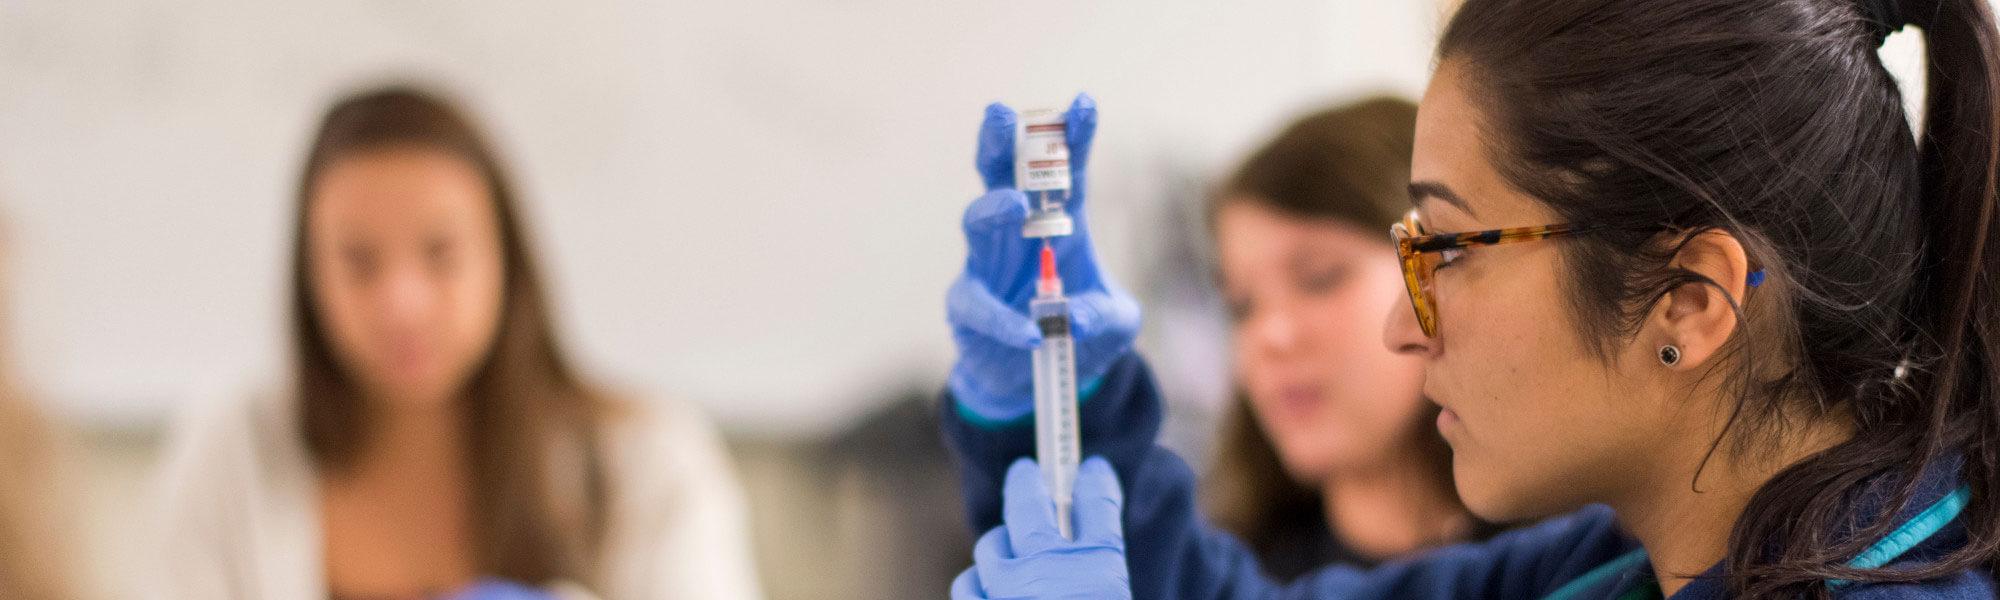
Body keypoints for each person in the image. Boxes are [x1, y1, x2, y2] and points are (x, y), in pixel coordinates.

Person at [942, 0, 2000, 596]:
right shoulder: (1634, 562)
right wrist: (1050, 403)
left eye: (1447, 247)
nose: (1404, 327)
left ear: (1688, 301)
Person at [156, 86, 760, 600]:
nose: (402, 304)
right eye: (359, 263)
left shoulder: (646, 457)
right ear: (309, 276)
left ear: (507, 260)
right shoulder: (229, 454)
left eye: (442, 255)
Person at [1202, 97, 1495, 579]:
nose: (1270, 337)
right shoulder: (1234, 579)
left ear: (1439, 262)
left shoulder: (1578, 556)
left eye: (1319, 278)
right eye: (1241, 305)